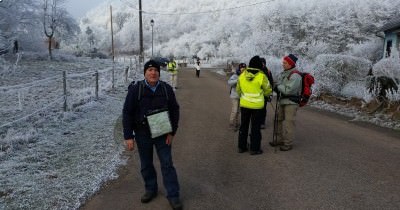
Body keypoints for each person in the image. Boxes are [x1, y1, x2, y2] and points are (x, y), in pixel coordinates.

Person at [122, 60, 183, 210]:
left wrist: (172, 132)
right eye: (149, 70)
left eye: (155, 70)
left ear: (159, 73)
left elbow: (175, 110)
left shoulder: (166, 89)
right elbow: (127, 113)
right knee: (146, 164)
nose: (153, 73)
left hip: (163, 133)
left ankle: (173, 195)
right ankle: (151, 189)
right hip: (143, 134)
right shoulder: (136, 90)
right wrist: (128, 136)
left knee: (167, 164)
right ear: (145, 73)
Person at [236, 56, 272, 155]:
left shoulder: (242, 75)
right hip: (257, 106)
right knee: (255, 127)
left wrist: (243, 97)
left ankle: (241, 147)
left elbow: (238, 89)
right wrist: (267, 95)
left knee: (243, 126)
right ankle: (254, 149)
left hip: (244, 105)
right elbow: (268, 90)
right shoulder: (262, 76)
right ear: (259, 66)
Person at [271, 54, 302, 151]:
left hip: (291, 102)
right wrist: (276, 88)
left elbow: (288, 90)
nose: (282, 64)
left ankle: (288, 143)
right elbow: (281, 87)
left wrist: (277, 86)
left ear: (290, 64)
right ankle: (279, 139)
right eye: (283, 62)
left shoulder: (296, 76)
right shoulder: (283, 73)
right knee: (277, 119)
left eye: (285, 63)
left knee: (289, 123)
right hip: (282, 100)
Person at [228, 63, 246, 131]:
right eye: (242, 68)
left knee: (238, 111)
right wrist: (237, 80)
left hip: (241, 96)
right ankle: (231, 124)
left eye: (244, 68)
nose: (243, 69)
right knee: (234, 110)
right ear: (240, 68)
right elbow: (229, 82)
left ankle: (236, 123)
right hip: (234, 96)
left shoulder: (245, 76)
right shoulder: (235, 75)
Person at [260, 57, 274, 129]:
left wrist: (270, 93)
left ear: (265, 63)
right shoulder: (257, 71)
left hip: (265, 93)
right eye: (261, 63)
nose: (262, 64)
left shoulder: (268, 72)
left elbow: (271, 82)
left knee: (263, 108)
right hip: (257, 93)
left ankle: (262, 122)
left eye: (263, 63)